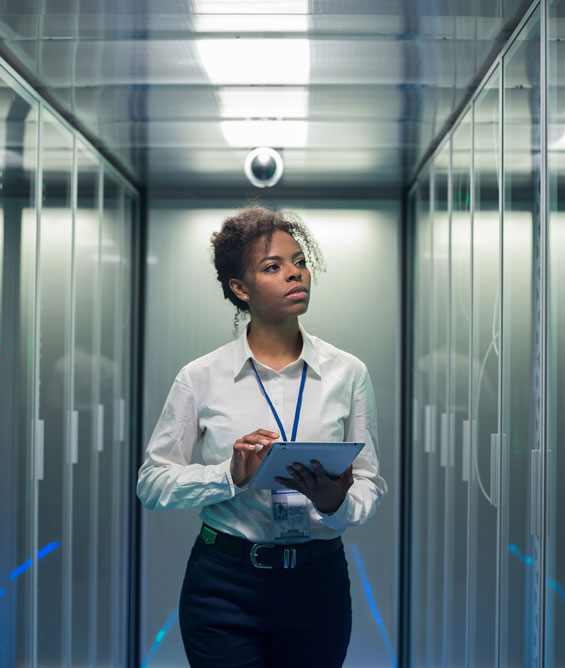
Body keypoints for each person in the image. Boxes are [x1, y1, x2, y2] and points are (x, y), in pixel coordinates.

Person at [137, 205, 387, 668]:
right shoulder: (200, 377)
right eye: (274, 267)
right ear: (240, 288)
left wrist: (336, 503)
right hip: (224, 584)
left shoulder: (348, 373)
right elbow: (152, 484)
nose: (296, 274)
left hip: (317, 581)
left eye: (299, 261)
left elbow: (371, 483)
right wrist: (228, 477)